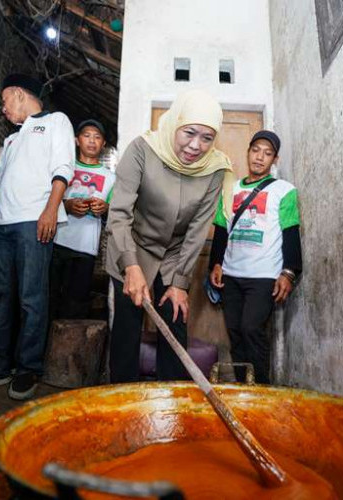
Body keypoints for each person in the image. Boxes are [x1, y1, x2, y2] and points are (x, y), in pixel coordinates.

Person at [0, 74, 75, 400]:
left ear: (19, 94)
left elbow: (63, 168)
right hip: (0, 226)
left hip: (33, 221)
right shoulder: (10, 141)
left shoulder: (56, 122)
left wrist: (50, 210)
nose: (3, 109)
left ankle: (28, 367)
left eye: (5, 100)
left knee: (32, 296)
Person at [106, 89, 233, 382]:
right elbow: (119, 213)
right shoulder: (141, 150)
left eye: (206, 138)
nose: (195, 145)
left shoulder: (215, 168)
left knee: (175, 320)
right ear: (175, 123)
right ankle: (123, 397)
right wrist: (131, 266)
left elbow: (197, 230)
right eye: (189, 133)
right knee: (128, 324)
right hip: (131, 246)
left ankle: (172, 401)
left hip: (174, 256)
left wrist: (179, 283)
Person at [208, 131, 302, 384]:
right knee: (235, 333)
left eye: (267, 153)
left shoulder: (284, 191)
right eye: (256, 150)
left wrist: (289, 272)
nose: (260, 157)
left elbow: (290, 232)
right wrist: (215, 263)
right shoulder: (231, 189)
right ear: (248, 152)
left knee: (252, 329)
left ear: (275, 159)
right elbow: (221, 229)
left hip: (263, 276)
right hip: (231, 273)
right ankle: (242, 388)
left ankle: (260, 388)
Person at [50, 119, 115, 319]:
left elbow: (116, 212)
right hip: (55, 243)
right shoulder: (63, 169)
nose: (92, 141)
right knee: (49, 301)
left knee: (75, 306)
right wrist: (67, 206)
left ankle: (69, 349)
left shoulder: (112, 178)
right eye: (87, 135)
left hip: (86, 249)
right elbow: (44, 203)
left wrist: (105, 208)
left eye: (97, 137)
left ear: (103, 144)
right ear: (77, 140)